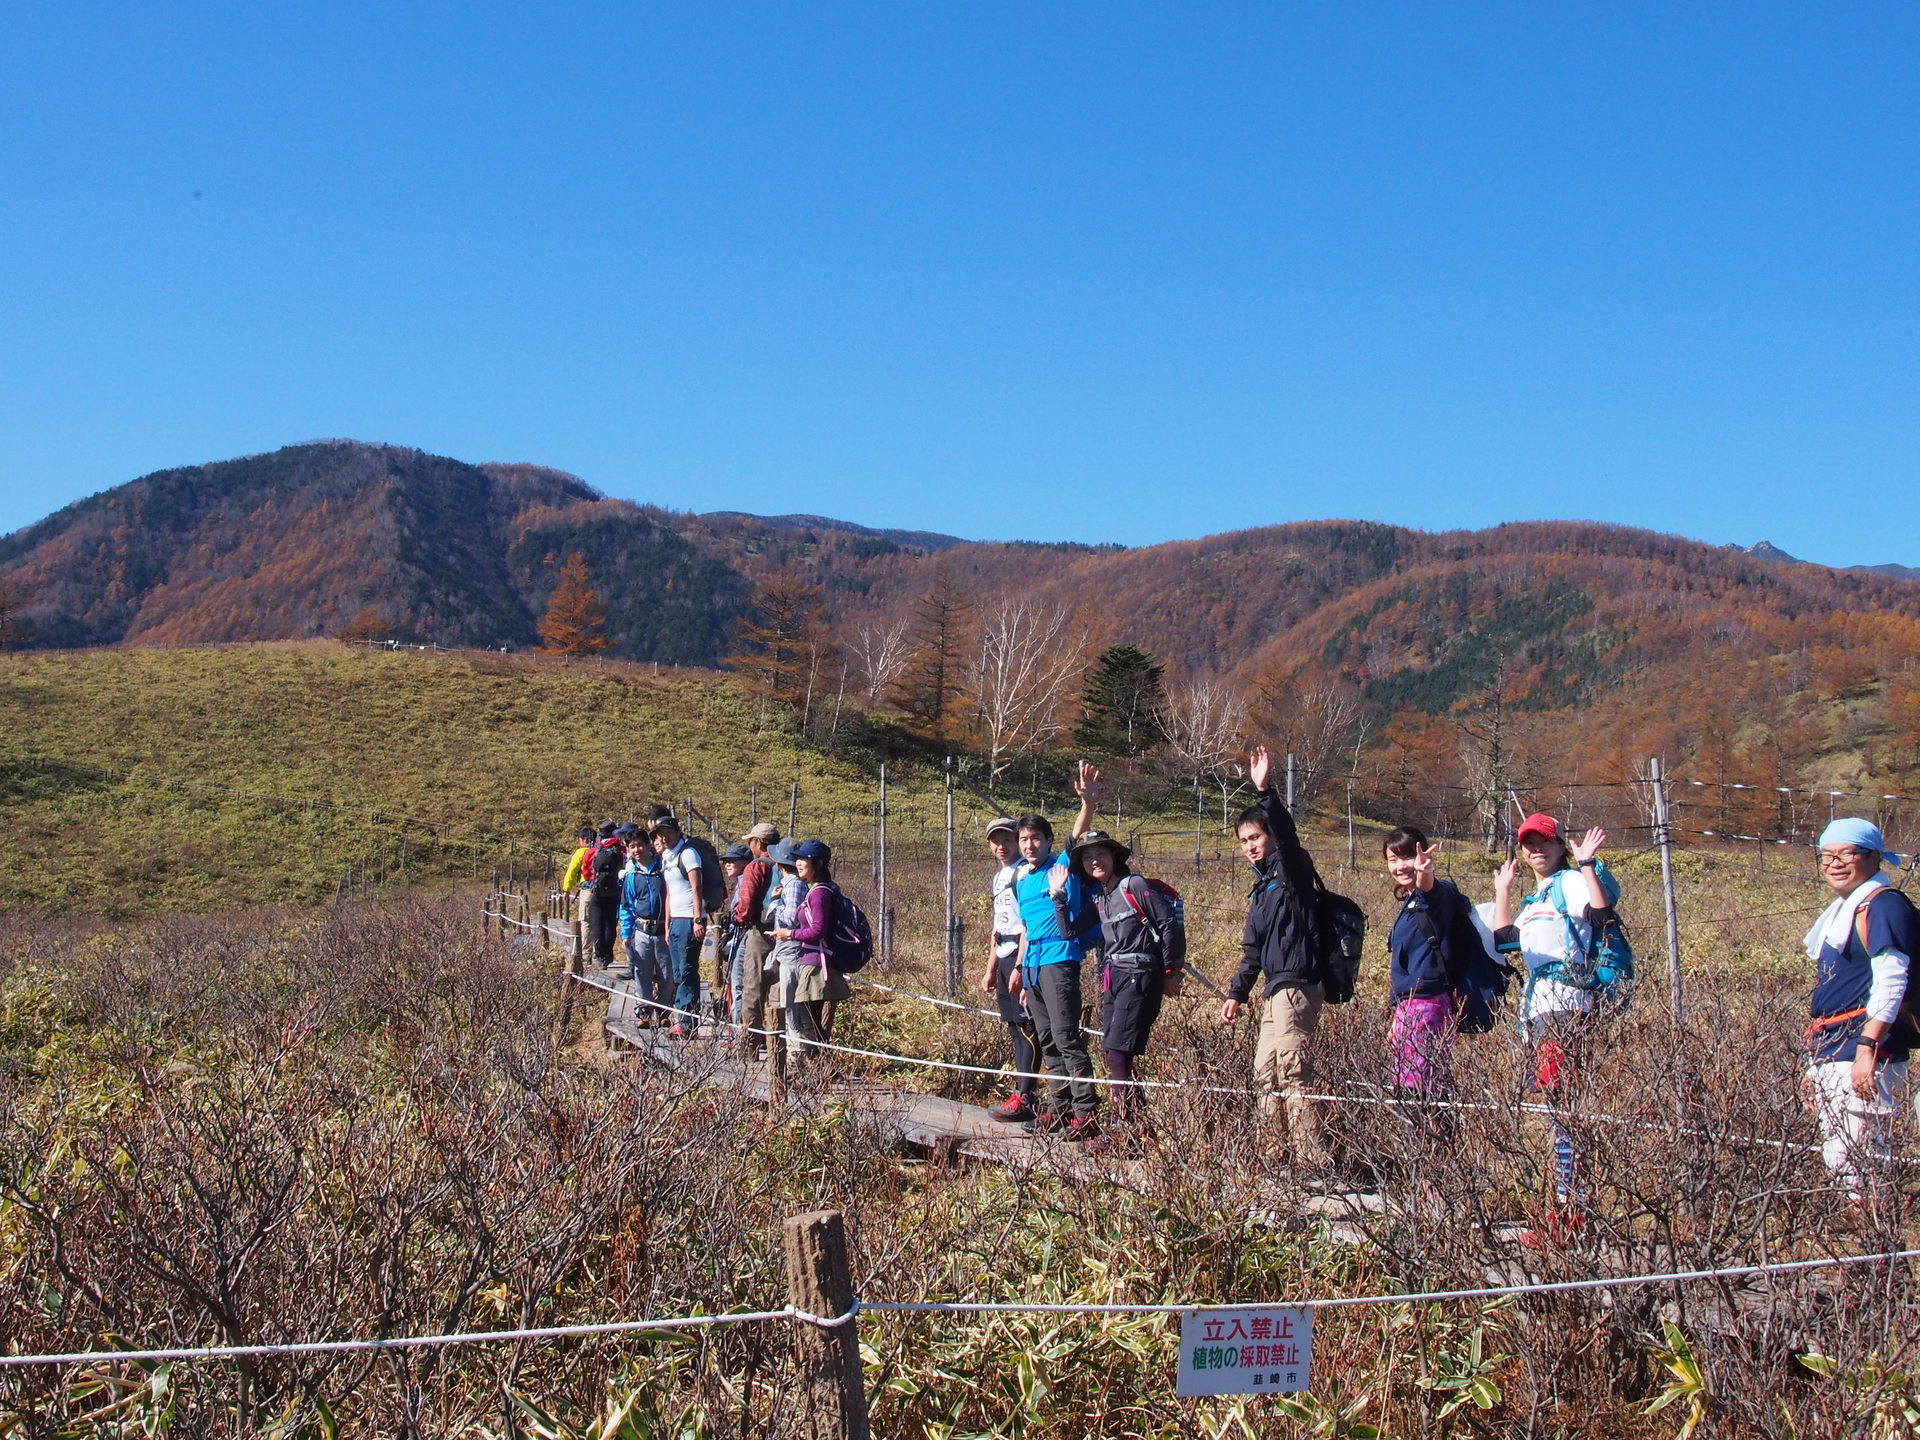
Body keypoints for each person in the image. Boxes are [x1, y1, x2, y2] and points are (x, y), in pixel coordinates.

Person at [1492, 812, 1618, 1241]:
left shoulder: (1569, 883)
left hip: (1566, 1007)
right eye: (1528, 843)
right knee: (1557, 1110)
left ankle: (1570, 1215)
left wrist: (1586, 864)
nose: (1535, 849)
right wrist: (1504, 891)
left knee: (1564, 1110)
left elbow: (1602, 916)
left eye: (1543, 841)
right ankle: (1567, 1209)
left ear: (1559, 844)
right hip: (1541, 1010)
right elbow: (1507, 942)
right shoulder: (1538, 896)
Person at [1221, 745, 1331, 1169]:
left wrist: (1266, 792)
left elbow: (1288, 837)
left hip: (1298, 983)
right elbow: (1253, 951)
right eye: (1244, 841)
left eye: (1256, 837)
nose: (1250, 846)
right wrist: (1237, 993)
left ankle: (1312, 1161)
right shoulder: (1262, 889)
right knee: (1265, 1073)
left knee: (1292, 1071)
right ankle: (1274, 1156)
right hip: (1274, 990)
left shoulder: (1291, 869)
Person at [1803, 818, 1917, 1213]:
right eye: (1827, 855)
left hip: (1866, 1050)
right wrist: (1815, 1064)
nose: (1835, 863)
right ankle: (1865, 1262)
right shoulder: (1841, 911)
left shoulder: (1883, 905)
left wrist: (1868, 1046)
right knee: (1841, 1160)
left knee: (1863, 1164)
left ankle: (1877, 1263)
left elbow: (1891, 979)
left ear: (1871, 857)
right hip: (1834, 1047)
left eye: (1846, 853)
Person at [1069, 814, 1183, 1139]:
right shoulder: (1100, 898)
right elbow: (1070, 931)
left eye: (1100, 854)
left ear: (1114, 856)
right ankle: (1136, 1124)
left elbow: (1167, 924)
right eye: (1088, 857)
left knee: (1119, 1050)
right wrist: (1058, 898)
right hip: (1112, 977)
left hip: (1140, 975)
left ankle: (1123, 1127)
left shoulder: (1133, 886)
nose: (1094, 861)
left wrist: (1171, 970)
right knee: (1114, 1050)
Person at [1008, 812, 1101, 1141]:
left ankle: (1085, 1111)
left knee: (1066, 1038)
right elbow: (1028, 929)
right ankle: (1058, 1106)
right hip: (1033, 966)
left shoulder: (1062, 867)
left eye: (1036, 838)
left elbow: (1076, 837)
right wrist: (1021, 972)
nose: (1029, 845)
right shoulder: (1022, 881)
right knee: (1048, 1041)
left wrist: (1086, 804)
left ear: (1047, 841)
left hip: (1060, 961)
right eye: (1023, 839)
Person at [1381, 827, 1482, 1096]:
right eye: (1392, 859)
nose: (1400, 866)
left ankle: (1431, 1138)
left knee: (1420, 1091)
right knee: (1412, 1086)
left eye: (1406, 857)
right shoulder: (1410, 904)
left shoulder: (1437, 895)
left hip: (1429, 1005)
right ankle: (1430, 1137)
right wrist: (1397, 1016)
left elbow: (1430, 890)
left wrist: (1425, 871)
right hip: (1410, 1005)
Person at [978, 817, 1040, 1122]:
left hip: (1021, 953)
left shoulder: (1026, 873)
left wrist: (1020, 966)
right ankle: (1020, 1093)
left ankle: (1026, 1096)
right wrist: (991, 969)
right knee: (1014, 1028)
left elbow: (1028, 923)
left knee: (1027, 1027)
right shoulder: (999, 877)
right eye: (995, 841)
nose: (1001, 847)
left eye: (1007, 841)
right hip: (1002, 954)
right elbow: (997, 925)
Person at [774, 840, 853, 1061]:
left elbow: (817, 930)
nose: (798, 863)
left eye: (803, 859)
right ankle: (823, 1067)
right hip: (814, 960)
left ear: (817, 864)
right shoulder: (820, 889)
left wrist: (789, 934)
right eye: (797, 858)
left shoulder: (818, 893)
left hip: (816, 963)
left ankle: (822, 1068)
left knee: (812, 1019)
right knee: (813, 1019)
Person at [648, 810, 708, 1036]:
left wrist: (697, 919)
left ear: (677, 832)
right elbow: (670, 892)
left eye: (667, 832)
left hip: (689, 919)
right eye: (660, 834)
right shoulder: (667, 857)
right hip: (675, 921)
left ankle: (687, 1022)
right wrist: (667, 923)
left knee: (686, 970)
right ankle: (682, 1018)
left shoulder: (689, 853)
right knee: (677, 972)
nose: (664, 838)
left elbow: (697, 887)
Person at [731, 822, 782, 1054]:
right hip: (785, 933)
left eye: (751, 841)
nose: (749, 845)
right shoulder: (786, 863)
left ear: (759, 843)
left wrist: (738, 918)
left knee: (752, 984)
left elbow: (747, 902)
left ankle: (750, 1042)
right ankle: (776, 1040)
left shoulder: (756, 866)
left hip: (761, 931)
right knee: (777, 987)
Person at [619, 830, 670, 1021]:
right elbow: (626, 906)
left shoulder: (664, 868)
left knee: (666, 974)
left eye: (640, 844)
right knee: (642, 973)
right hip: (641, 931)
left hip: (663, 930)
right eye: (632, 846)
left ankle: (665, 1012)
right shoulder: (631, 875)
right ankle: (644, 1013)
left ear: (649, 844)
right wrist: (626, 934)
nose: (637, 849)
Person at [765, 839, 811, 1050]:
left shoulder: (792, 886)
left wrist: (775, 904)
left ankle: (796, 1051)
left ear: (779, 863)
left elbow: (791, 918)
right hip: (787, 949)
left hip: (791, 949)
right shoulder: (791, 885)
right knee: (789, 1000)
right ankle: (796, 1049)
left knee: (790, 1001)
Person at [584, 822, 626, 973]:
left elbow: (586, 873)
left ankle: (599, 955)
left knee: (596, 923)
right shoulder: (621, 850)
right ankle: (607, 954)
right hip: (615, 892)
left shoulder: (593, 851)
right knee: (610, 924)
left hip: (596, 892)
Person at [720, 843, 753, 1025]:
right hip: (738, 937)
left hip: (742, 938)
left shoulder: (745, 884)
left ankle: (738, 1032)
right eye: (726, 861)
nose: (727, 864)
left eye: (733, 860)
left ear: (745, 862)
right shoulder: (740, 883)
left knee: (738, 984)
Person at [561, 825, 597, 962]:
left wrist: (566, 889)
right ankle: (600, 954)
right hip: (603, 893)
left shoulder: (581, 852)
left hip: (587, 891)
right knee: (599, 922)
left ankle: (586, 955)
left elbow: (571, 872)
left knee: (586, 922)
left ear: (583, 840)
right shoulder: (602, 850)